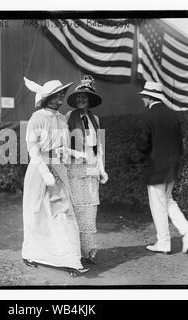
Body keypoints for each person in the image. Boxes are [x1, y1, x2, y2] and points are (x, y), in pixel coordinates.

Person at [21, 76, 89, 277]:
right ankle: (31, 253)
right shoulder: (37, 118)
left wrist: (77, 154)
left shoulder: (61, 119)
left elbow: (62, 147)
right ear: (47, 98)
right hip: (39, 170)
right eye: (57, 94)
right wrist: (45, 173)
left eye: (62, 93)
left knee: (63, 212)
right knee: (36, 212)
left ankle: (69, 259)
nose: (62, 96)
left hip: (58, 168)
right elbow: (32, 149)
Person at [136, 81, 188, 254]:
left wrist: (139, 158)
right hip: (173, 167)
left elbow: (142, 145)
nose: (142, 100)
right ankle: (186, 229)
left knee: (158, 205)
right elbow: (180, 144)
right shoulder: (172, 115)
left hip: (156, 169)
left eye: (144, 97)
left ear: (149, 97)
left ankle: (163, 243)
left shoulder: (147, 116)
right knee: (168, 199)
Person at [65, 75, 108, 265]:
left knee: (91, 208)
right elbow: (63, 144)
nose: (82, 100)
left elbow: (99, 146)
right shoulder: (68, 117)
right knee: (76, 207)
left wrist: (101, 168)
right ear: (75, 100)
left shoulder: (95, 119)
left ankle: (89, 251)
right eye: (79, 97)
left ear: (90, 100)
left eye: (86, 97)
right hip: (75, 165)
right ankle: (75, 250)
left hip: (91, 165)